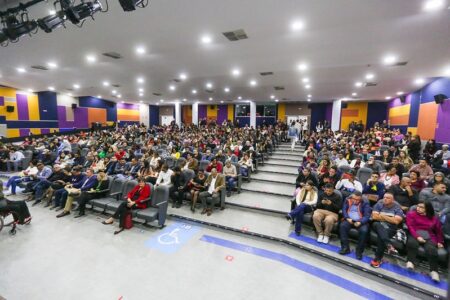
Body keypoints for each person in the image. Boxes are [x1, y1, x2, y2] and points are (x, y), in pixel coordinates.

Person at [405, 200, 444, 282]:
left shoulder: (434, 217)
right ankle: (410, 262)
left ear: (427, 209)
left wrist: (440, 241)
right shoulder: (411, 214)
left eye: (421, 207)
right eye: (418, 206)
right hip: (415, 233)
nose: (418, 208)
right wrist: (417, 236)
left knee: (431, 249)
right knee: (412, 243)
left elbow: (438, 231)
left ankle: (434, 271)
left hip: (429, 235)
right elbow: (410, 227)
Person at [370, 193, 405, 268]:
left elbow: (396, 221)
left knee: (382, 236)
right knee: (378, 225)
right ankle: (387, 247)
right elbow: (375, 217)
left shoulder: (397, 208)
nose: (385, 199)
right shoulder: (379, 204)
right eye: (384, 197)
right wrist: (390, 218)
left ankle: (378, 258)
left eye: (388, 198)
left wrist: (381, 216)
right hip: (377, 224)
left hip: (391, 228)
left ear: (392, 200)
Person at [339, 191, 372, 259]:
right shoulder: (347, 199)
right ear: (352, 197)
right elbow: (344, 210)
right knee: (343, 226)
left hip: (360, 221)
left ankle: (359, 251)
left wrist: (360, 222)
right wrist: (347, 218)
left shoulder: (365, 202)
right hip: (349, 219)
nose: (355, 201)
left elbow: (367, 215)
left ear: (360, 198)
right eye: (354, 199)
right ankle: (345, 248)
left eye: (358, 200)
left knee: (364, 231)